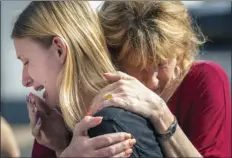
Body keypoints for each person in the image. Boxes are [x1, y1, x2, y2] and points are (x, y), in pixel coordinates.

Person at [11, 1, 165, 158]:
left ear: (59, 50)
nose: (25, 80)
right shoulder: (78, 130)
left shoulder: (108, 129)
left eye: (26, 61)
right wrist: (62, 146)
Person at [89, 1, 231, 157]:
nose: (153, 82)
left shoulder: (205, 80)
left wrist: (161, 114)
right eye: (140, 67)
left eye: (162, 64)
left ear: (180, 51)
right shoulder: (103, 88)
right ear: (115, 61)